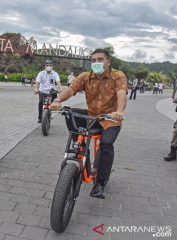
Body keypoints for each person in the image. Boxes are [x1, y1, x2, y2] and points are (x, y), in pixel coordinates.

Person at [50, 49, 127, 198]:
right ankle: (81, 149)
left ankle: (100, 183)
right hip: (92, 116)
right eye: (93, 60)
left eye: (100, 59)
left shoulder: (118, 75)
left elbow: (121, 93)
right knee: (69, 113)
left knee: (106, 145)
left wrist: (119, 111)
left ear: (108, 62)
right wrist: (57, 100)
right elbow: (71, 89)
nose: (96, 63)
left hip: (110, 119)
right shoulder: (85, 76)